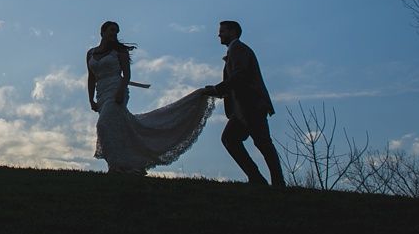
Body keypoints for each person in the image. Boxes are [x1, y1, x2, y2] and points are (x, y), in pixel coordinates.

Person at [87, 21, 214, 174]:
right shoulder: (91, 53)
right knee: (115, 128)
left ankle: (117, 164)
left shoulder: (120, 52)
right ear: (102, 32)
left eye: (116, 31)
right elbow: (91, 78)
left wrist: (120, 92)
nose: (114, 34)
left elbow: (126, 75)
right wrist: (91, 99)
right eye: (111, 30)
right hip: (101, 93)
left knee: (103, 124)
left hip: (116, 89)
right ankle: (118, 165)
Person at [203, 20, 285, 187]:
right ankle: (258, 178)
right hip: (243, 108)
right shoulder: (235, 51)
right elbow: (236, 81)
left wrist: (217, 89)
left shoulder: (238, 49)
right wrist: (217, 91)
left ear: (233, 32)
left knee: (261, 142)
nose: (219, 35)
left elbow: (239, 77)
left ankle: (275, 182)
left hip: (251, 105)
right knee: (232, 139)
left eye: (223, 31)